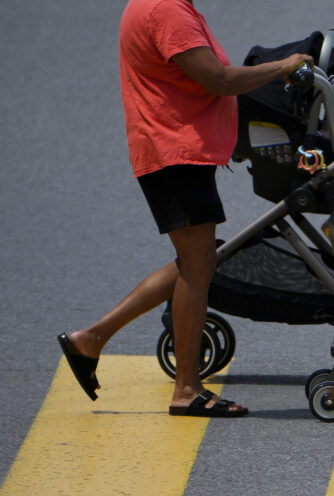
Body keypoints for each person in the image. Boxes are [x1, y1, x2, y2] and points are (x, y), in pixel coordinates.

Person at [57, 0, 313, 417]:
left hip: (174, 150)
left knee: (196, 261)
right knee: (197, 268)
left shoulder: (160, 6)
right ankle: (187, 390)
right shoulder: (165, 10)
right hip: (174, 152)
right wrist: (282, 67)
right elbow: (219, 79)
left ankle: (91, 339)